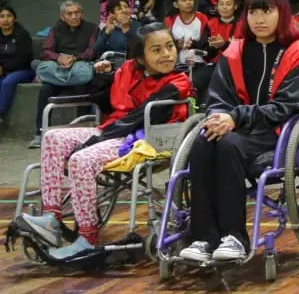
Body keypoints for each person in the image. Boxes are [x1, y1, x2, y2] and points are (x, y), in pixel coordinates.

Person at [18, 24, 194, 256]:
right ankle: (51, 219)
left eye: (170, 47)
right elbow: (104, 101)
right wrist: (102, 78)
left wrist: (96, 139)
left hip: (142, 139)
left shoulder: (178, 81)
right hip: (114, 129)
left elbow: (138, 117)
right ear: (140, 57)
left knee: (81, 159)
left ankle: (87, 238)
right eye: (157, 50)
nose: (166, 54)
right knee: (52, 137)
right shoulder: (128, 70)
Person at [177, 0, 299, 263]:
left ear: (282, 13)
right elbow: (217, 98)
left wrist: (236, 117)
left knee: (228, 145)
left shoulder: (298, 54)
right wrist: (218, 118)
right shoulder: (234, 51)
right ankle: (203, 237)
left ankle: (234, 237)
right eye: (253, 12)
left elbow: (285, 107)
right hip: (235, 129)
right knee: (203, 142)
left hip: (275, 135)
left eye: (267, 11)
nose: (259, 19)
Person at [31, 0, 99, 147]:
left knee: (83, 86)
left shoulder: (92, 28)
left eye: (77, 12)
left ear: (82, 14)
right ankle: (40, 133)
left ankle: (81, 132)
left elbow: (92, 51)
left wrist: (75, 58)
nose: (74, 16)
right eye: (70, 13)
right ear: (63, 16)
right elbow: (46, 51)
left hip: (78, 71)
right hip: (59, 71)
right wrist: (59, 58)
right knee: (45, 89)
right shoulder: (56, 28)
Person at [0, 5, 34, 123]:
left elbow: (23, 58)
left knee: (8, 82)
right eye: (2, 16)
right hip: (3, 71)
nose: (5, 19)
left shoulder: (22, 35)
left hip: (23, 70)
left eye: (9, 16)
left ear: (14, 19)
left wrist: (3, 68)